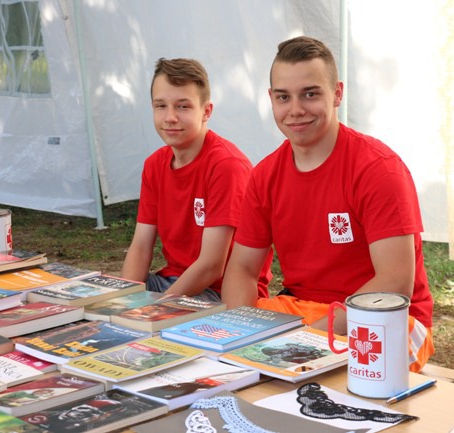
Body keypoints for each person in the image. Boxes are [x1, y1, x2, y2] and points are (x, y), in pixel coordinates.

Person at [221, 36, 434, 372]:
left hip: (387, 317)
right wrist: (242, 331)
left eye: (310, 93)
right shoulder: (265, 175)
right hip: (306, 311)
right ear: (271, 100)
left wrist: (307, 341)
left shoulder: (377, 168)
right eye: (283, 97)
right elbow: (242, 269)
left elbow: (395, 281)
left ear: (337, 94)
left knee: (352, 386)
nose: (295, 110)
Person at [121, 57, 271, 302]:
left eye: (183, 106)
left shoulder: (226, 166)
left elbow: (212, 266)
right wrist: (123, 300)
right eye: (161, 106)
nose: (170, 117)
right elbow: (140, 247)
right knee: (106, 298)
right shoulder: (154, 165)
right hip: (173, 284)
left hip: (220, 293)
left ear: (206, 111)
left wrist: (158, 308)